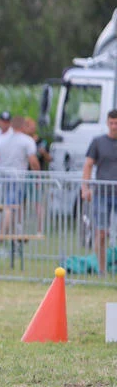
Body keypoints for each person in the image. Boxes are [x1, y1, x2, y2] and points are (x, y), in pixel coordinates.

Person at [0, 116, 40, 234]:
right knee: (11, 207)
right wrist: (38, 176)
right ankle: (2, 235)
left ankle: (13, 234)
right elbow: (33, 162)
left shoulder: (0, 139)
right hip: (17, 178)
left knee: (6, 206)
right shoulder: (27, 140)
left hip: (1, 178)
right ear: (22, 126)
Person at [81, 109, 117, 275]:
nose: (114, 126)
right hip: (102, 193)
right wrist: (85, 187)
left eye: (116, 123)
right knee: (101, 233)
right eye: (111, 123)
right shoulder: (98, 142)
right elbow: (88, 164)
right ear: (107, 123)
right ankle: (101, 269)